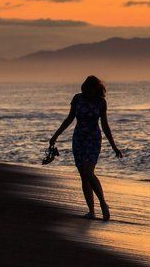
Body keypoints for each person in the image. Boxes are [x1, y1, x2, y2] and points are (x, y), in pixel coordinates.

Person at [50, 76, 123, 220]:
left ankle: (103, 203)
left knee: (89, 172)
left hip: (93, 139)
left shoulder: (101, 102)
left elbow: (105, 125)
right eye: (86, 89)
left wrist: (114, 146)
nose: (87, 92)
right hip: (79, 139)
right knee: (83, 175)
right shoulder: (78, 99)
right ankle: (91, 211)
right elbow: (69, 118)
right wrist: (55, 135)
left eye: (91, 90)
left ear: (96, 90)